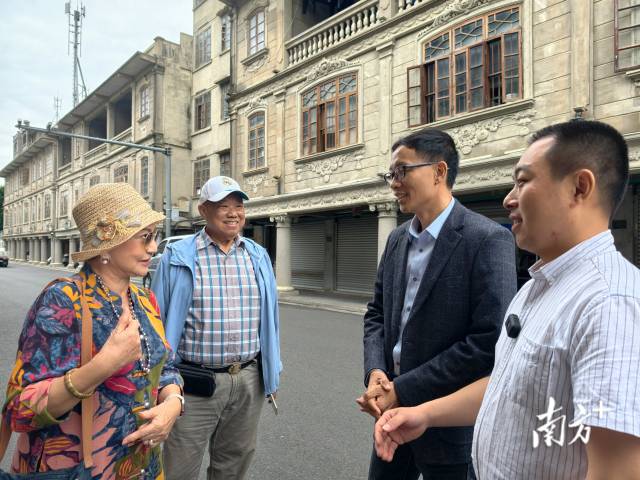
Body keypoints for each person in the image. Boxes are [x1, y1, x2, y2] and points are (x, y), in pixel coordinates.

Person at [374, 120, 640, 479]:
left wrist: (406, 391)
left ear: (579, 187)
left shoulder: (611, 303)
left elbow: (617, 470)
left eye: (523, 181)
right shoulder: (536, 287)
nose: (508, 199)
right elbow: (508, 383)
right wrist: (424, 414)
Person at [358, 128, 517, 479]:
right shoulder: (397, 239)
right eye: (390, 174)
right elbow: (376, 314)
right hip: (390, 418)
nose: (394, 183)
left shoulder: (487, 239)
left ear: (439, 171)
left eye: (402, 171)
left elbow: (488, 342)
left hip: (450, 427)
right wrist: (376, 372)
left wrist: (402, 389)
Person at [1, 183, 184, 479]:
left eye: (155, 236)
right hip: (78, 469)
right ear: (108, 244)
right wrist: (103, 365)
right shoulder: (63, 300)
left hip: (142, 466)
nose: (153, 248)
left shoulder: (144, 299)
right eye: (145, 237)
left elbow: (166, 367)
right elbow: (19, 410)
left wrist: (173, 403)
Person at [152, 175, 281, 480]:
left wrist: (272, 369)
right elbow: (156, 321)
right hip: (193, 381)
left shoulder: (257, 255)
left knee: (233, 466)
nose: (234, 213)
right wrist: (159, 382)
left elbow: (271, 318)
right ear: (203, 210)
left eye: (239, 206)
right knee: (179, 468)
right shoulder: (177, 256)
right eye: (224, 206)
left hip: (248, 378)